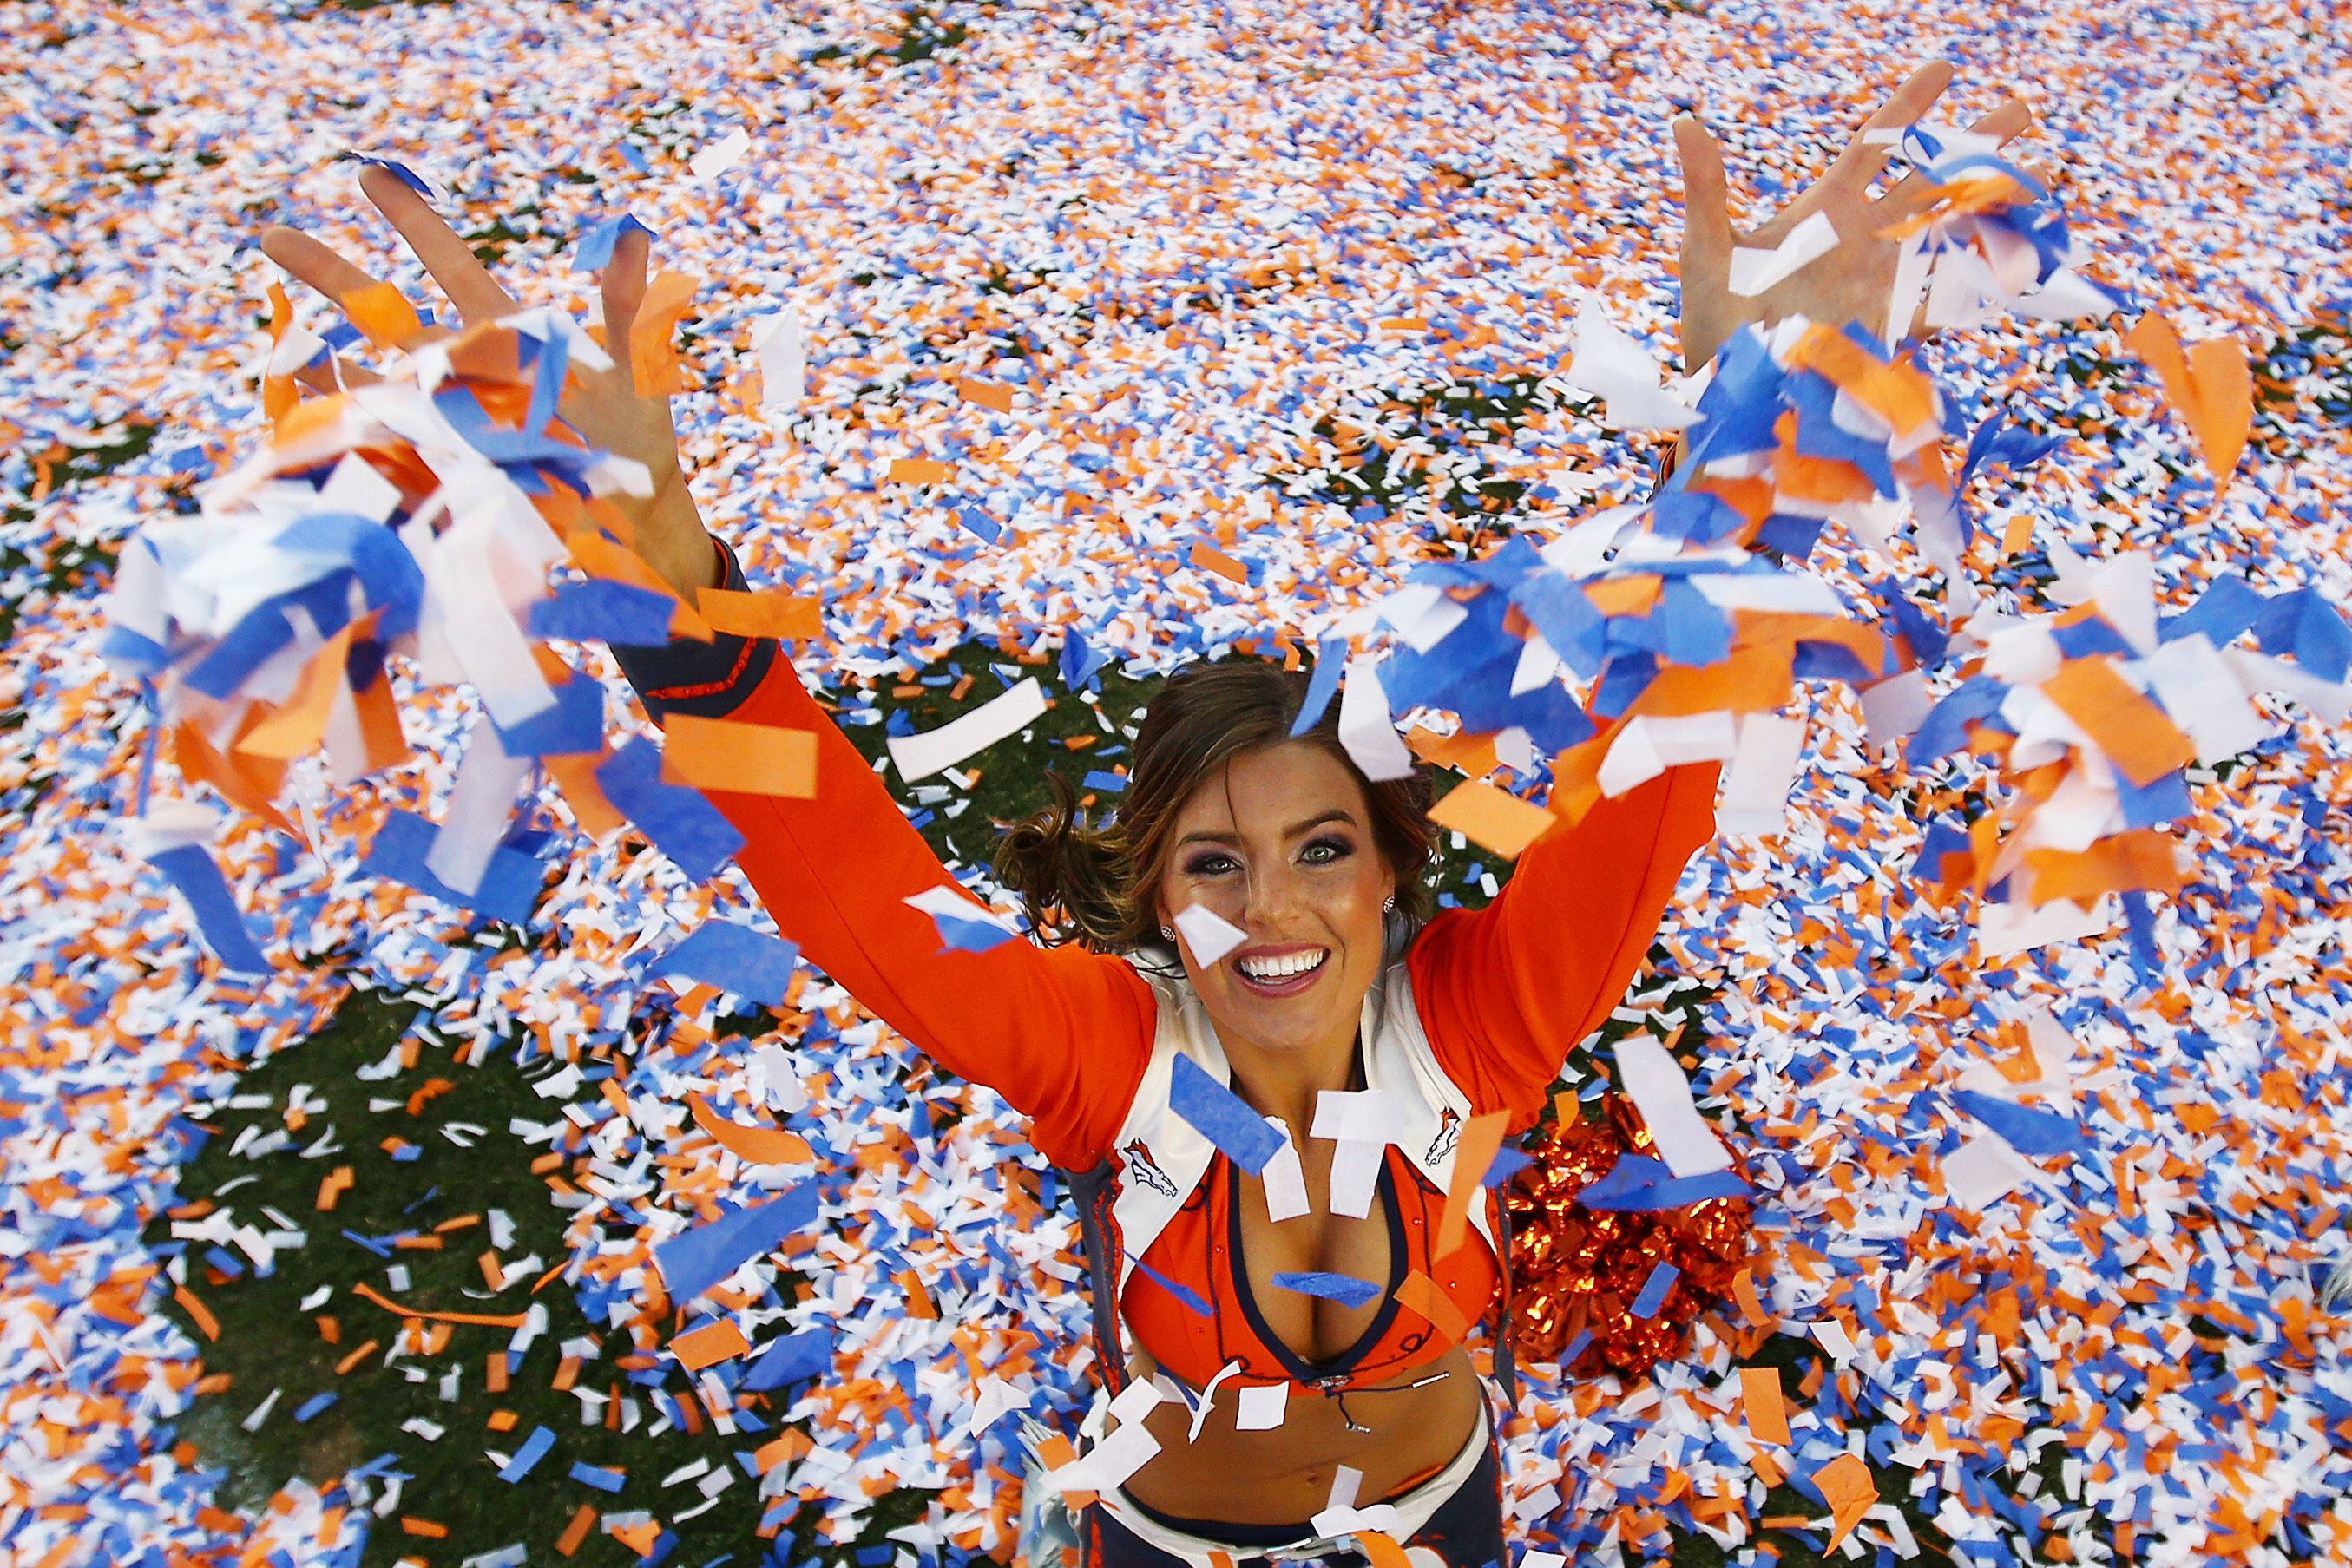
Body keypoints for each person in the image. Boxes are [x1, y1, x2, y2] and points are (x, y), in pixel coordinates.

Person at [257, 62, 2032, 1565]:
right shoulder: (1104, 1056)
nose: (1270, 905)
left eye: (1320, 843)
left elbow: (1652, 763)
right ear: (1156, 899)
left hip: (1442, 1519)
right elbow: (855, 891)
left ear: (1396, 870)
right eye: (1213, 859)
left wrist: (1726, 454)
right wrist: (671, 598)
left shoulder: (1485, 1021)